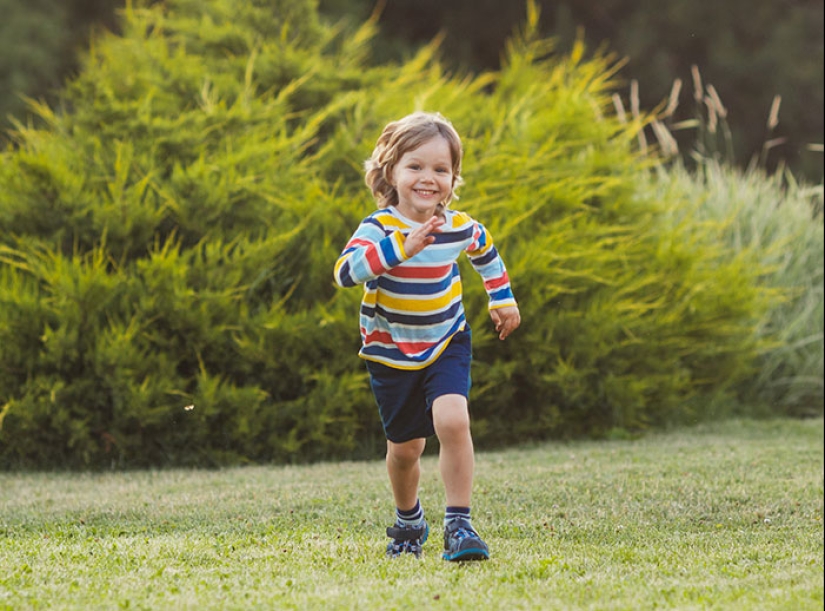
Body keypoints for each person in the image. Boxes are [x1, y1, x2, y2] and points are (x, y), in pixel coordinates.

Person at [333, 111, 520, 561]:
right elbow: (345, 273)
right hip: (391, 350)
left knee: (453, 420)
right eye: (415, 166)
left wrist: (502, 298)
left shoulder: (457, 226)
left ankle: (459, 524)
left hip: (447, 339)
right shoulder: (378, 229)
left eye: (441, 169)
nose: (428, 178)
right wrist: (402, 248)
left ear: (453, 178)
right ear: (390, 172)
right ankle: (408, 520)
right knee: (405, 450)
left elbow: (485, 249)